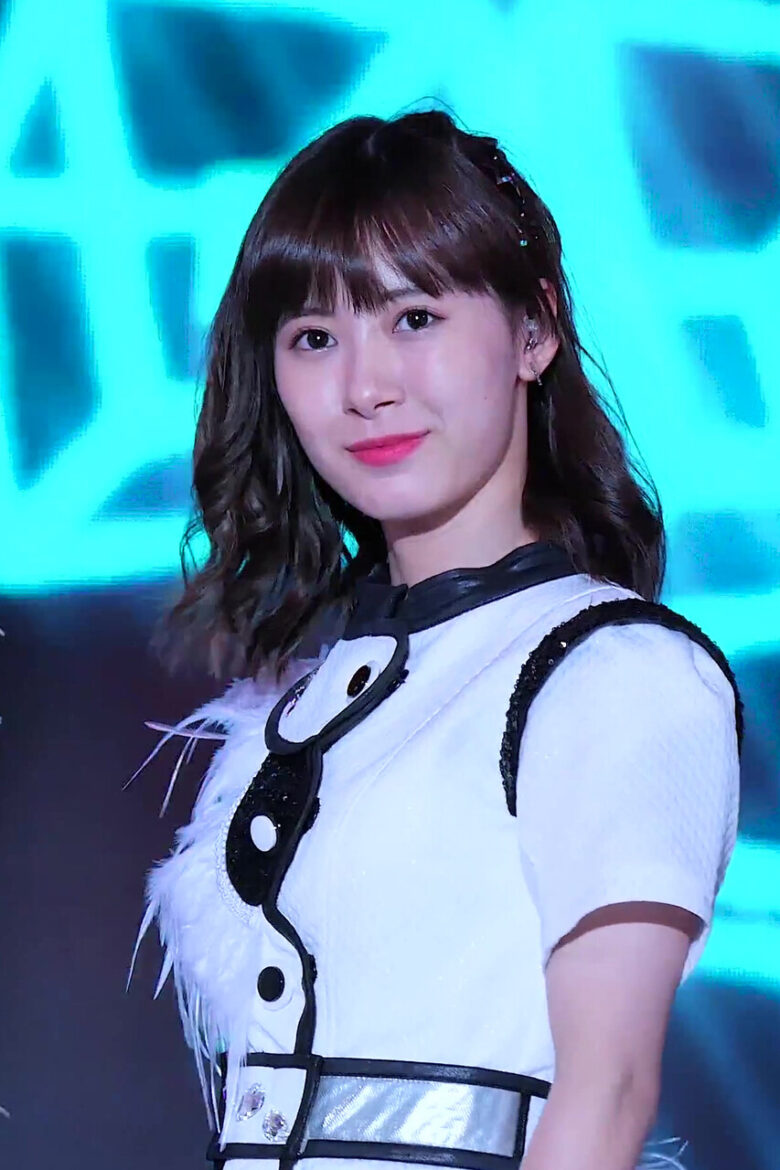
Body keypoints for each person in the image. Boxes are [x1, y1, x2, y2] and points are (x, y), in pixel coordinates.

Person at [128, 109, 743, 1170]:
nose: (366, 387)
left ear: (534, 331)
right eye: (314, 338)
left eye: (414, 318)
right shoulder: (305, 704)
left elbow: (608, 1094)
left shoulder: (615, 673)